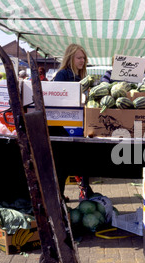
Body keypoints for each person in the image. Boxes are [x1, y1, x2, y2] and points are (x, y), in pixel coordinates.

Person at [52, 44, 92, 201]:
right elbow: (56, 99)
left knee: (76, 160)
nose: (82, 60)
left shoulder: (82, 77)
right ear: (70, 58)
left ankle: (84, 190)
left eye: (84, 58)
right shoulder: (62, 75)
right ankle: (58, 196)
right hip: (62, 126)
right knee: (62, 163)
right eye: (79, 58)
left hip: (78, 125)